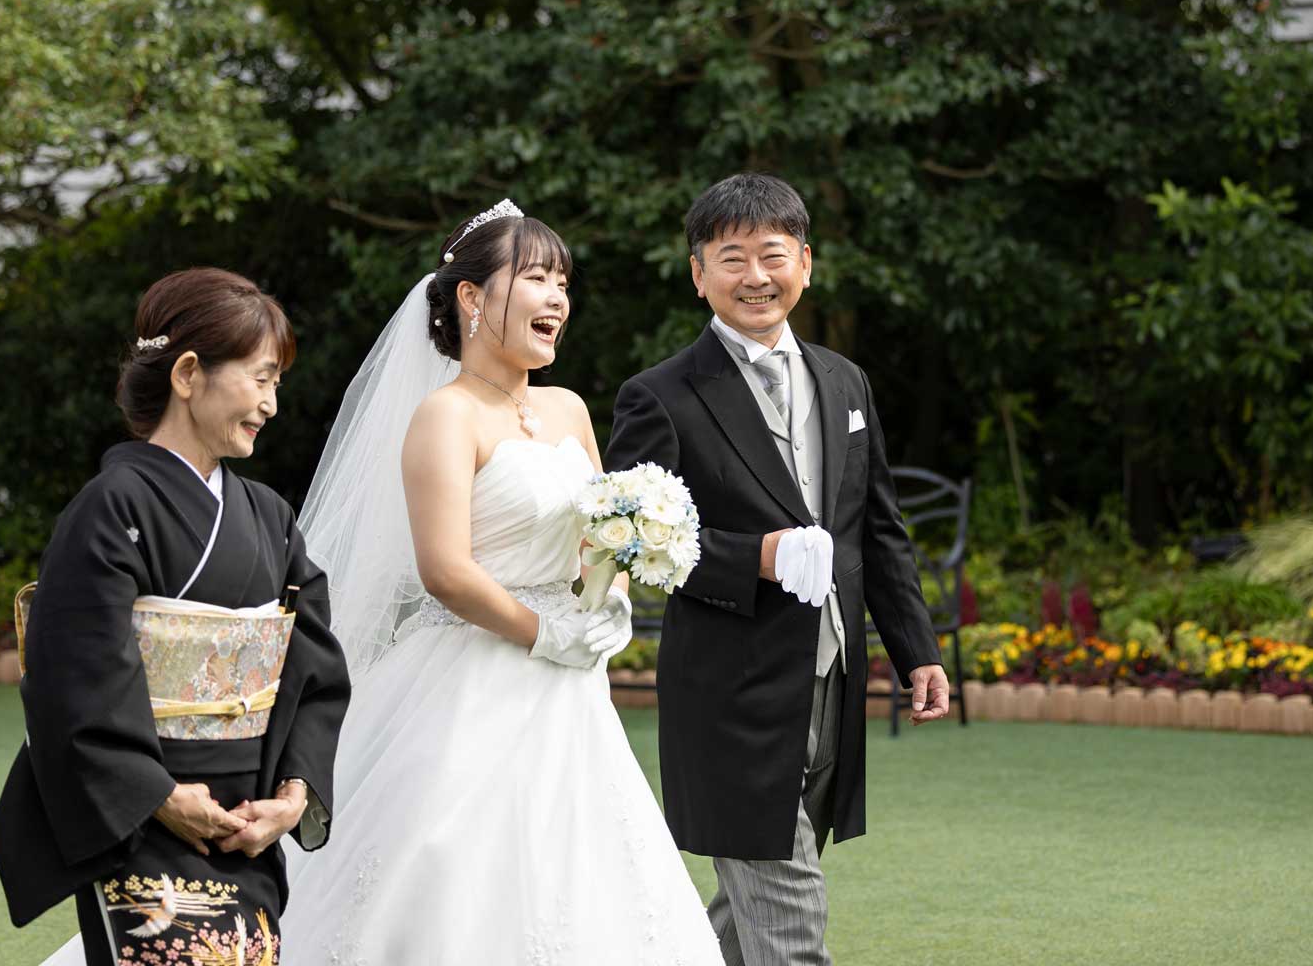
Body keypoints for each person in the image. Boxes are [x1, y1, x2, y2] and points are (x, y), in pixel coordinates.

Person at [279, 200, 722, 964]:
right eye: (537, 278)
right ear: (472, 297)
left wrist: (612, 598)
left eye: (563, 283)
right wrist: (544, 631)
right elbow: (445, 569)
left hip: (572, 690)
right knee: (451, 869)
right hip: (472, 674)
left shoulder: (568, 409)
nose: (558, 299)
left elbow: (598, 531)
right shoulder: (445, 416)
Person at [604, 173, 950, 966]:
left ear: (806, 263)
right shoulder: (659, 396)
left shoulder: (845, 380)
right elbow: (636, 541)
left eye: (773, 254)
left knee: (748, 906)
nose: (755, 276)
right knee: (789, 913)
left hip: (832, 678)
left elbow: (878, 531)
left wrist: (917, 650)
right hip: (728, 692)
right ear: (699, 275)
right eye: (732, 259)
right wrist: (751, 559)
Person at [0, 267, 351, 966]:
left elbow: (314, 669)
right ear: (188, 374)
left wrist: (291, 796)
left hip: (243, 823)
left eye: (277, 382)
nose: (272, 404)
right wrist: (158, 795)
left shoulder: (271, 517)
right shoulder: (111, 507)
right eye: (261, 378)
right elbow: (75, 677)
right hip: (142, 820)